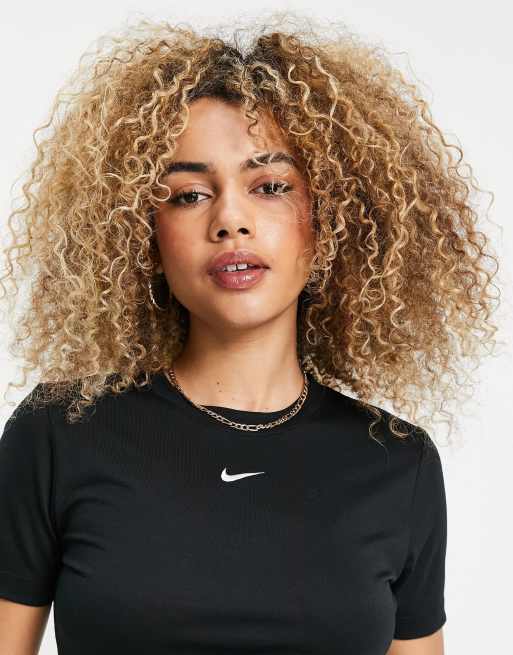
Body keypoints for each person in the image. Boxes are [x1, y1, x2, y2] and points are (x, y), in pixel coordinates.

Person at [0, 11, 500, 655]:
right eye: (188, 195)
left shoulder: (397, 464)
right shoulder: (59, 435)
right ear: (145, 237)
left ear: (329, 219)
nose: (230, 219)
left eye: (269, 186)